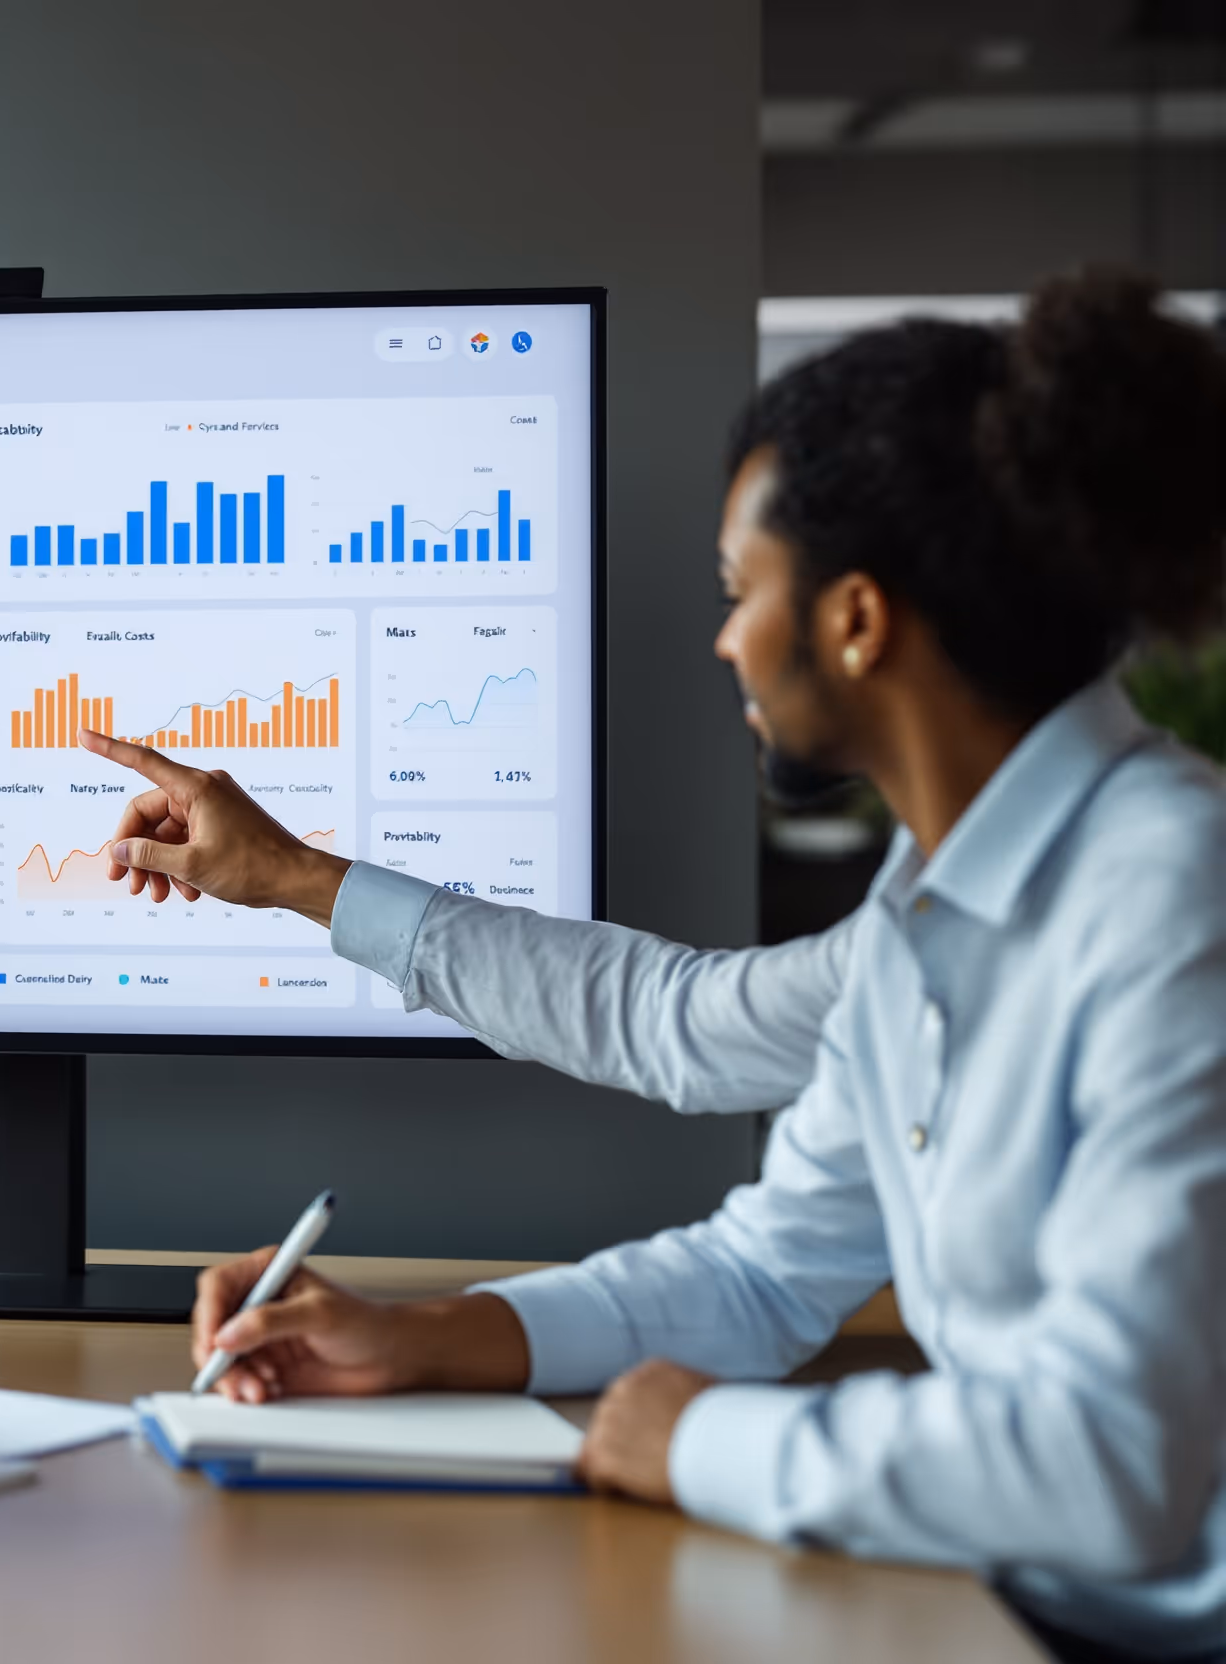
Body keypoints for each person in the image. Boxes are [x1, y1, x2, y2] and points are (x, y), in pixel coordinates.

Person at [85, 272, 1226, 1662]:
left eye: (744, 590)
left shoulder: (1173, 897)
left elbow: (1112, 1464)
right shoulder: (936, 903)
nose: (724, 638)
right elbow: (759, 1274)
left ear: (856, 620)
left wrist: (709, 1440)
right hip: (996, 1599)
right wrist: (423, 1338)